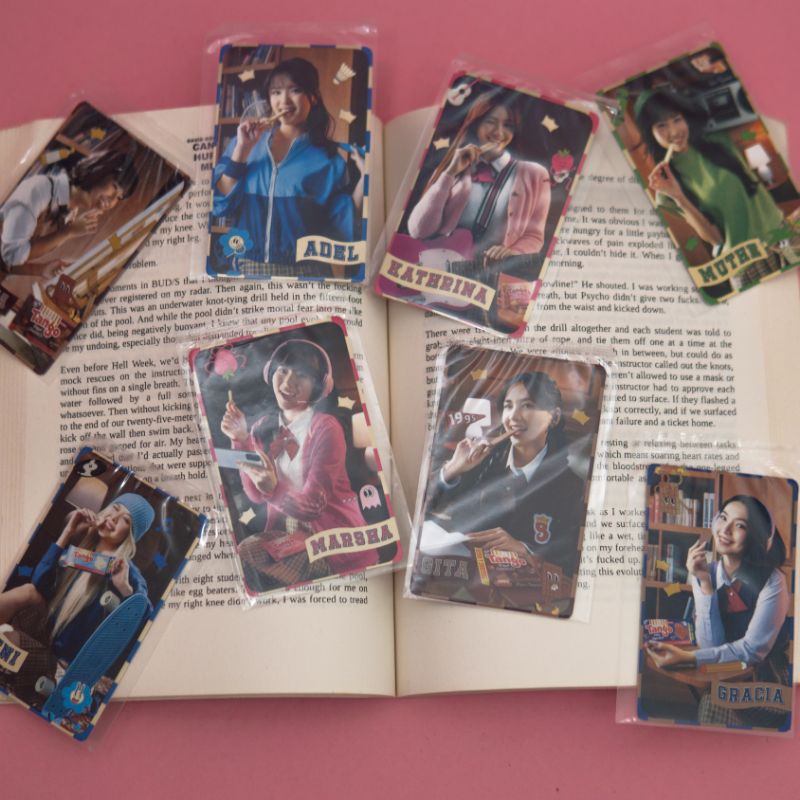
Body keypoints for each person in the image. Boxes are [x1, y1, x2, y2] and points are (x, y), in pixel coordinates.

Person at [220, 338, 377, 590]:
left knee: (253, 571)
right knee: (242, 557)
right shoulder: (262, 427)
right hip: (288, 535)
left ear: (319, 386)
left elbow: (314, 505)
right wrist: (241, 439)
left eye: (302, 374)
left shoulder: (326, 428)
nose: (288, 382)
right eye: (282, 370)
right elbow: (256, 496)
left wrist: (273, 488)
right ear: (270, 372)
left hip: (332, 540)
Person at [647, 495, 791, 727]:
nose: (725, 529)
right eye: (723, 518)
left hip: (765, 678)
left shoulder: (773, 581)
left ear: (755, 536)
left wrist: (689, 658)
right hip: (723, 672)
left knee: (712, 704)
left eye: (740, 525)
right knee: (711, 701)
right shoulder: (706, 570)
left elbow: (751, 651)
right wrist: (704, 583)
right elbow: (710, 646)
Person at [428, 371, 585, 579]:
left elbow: (571, 558)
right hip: (463, 576)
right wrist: (453, 469)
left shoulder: (571, 486)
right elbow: (427, 506)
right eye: (508, 406)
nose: (513, 417)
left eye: (528, 405)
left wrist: (525, 549)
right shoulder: (482, 461)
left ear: (554, 417)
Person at [212, 57, 363, 269]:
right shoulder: (242, 145)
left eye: (295, 90)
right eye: (276, 92)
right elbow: (219, 206)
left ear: (313, 97)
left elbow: (341, 223)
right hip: (246, 266)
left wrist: (366, 177)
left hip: (306, 271)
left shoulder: (329, 159)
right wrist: (242, 151)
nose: (284, 100)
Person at [407, 90, 552, 272]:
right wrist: (449, 174)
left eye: (508, 125)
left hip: (489, 274)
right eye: (490, 121)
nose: (499, 132)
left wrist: (511, 251)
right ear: (476, 123)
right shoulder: (452, 167)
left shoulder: (535, 174)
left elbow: (534, 237)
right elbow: (419, 231)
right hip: (439, 267)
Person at [0, 493, 154, 665]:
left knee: (10, 638)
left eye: (125, 520)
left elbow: (144, 622)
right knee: (28, 591)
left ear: (131, 535)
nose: (114, 518)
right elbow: (39, 583)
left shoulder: (127, 572)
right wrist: (68, 532)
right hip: (45, 629)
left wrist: (125, 589)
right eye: (115, 508)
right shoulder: (83, 552)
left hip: (61, 660)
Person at [635, 88, 786, 258]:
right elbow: (715, 239)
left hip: (780, 233)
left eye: (677, 119)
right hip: (748, 259)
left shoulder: (720, 140)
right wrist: (679, 197)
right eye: (661, 125)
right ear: (650, 133)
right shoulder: (665, 187)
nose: (675, 131)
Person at [0, 148, 138, 279]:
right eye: (114, 187)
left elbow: (7, 261)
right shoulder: (40, 190)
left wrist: (41, 270)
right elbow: (12, 255)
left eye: (119, 197)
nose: (112, 201)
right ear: (100, 171)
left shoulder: (70, 214)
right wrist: (67, 232)